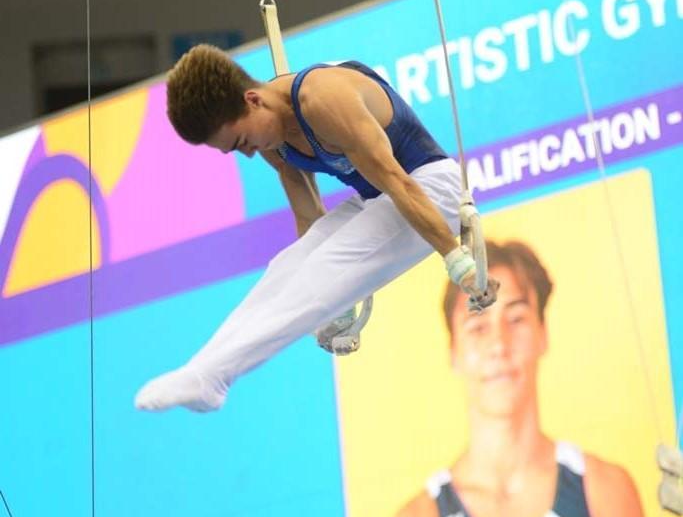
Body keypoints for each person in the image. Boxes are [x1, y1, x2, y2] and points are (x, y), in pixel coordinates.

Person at [134, 45, 497, 413]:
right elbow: (310, 219)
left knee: (325, 269)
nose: (248, 153)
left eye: (242, 142)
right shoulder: (272, 139)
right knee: (289, 266)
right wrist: (335, 307)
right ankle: (204, 372)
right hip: (378, 199)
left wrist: (456, 260)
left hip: (430, 189)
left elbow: (397, 182)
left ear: (253, 100)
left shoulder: (324, 100)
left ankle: (214, 374)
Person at [387, 240, 656, 517]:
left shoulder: (605, 491)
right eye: (478, 327)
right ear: (454, 352)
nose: (499, 345)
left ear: (544, 334)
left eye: (516, 318)